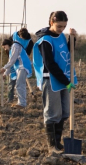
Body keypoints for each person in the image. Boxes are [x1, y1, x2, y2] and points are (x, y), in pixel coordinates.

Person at [32, 12, 77, 153]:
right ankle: (52, 146)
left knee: (64, 112)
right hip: (51, 79)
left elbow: (67, 53)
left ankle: (58, 143)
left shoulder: (61, 36)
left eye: (64, 26)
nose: (61, 29)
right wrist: (66, 81)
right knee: (52, 113)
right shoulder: (45, 40)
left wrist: (72, 39)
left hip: (63, 78)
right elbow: (50, 64)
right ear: (51, 22)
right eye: (59, 26)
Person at [2, 29, 33, 108]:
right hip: (21, 67)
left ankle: (22, 103)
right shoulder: (13, 48)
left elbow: (12, 60)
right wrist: (6, 72)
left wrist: (4, 68)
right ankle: (21, 103)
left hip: (23, 66)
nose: (4, 49)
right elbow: (11, 61)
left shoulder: (15, 46)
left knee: (19, 84)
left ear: (7, 44)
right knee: (20, 84)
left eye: (4, 47)